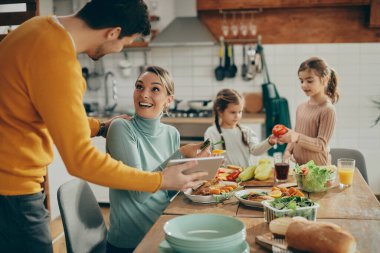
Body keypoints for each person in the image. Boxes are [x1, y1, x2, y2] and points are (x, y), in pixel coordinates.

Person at [0, 1, 207, 252]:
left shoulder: (36, 28)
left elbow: (45, 114)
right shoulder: (58, 60)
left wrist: (99, 127)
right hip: (12, 190)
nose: (119, 50)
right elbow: (81, 161)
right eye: (124, 43)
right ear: (113, 32)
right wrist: (160, 180)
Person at [106, 66, 204, 252]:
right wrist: (181, 153)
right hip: (130, 244)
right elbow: (140, 192)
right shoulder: (121, 128)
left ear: (168, 101)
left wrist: (195, 172)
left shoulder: (171, 133)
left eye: (155, 89)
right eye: (139, 87)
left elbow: (167, 192)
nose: (144, 94)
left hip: (163, 230)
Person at [278, 56, 339, 165]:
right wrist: (287, 151)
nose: (304, 85)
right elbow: (296, 134)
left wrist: (297, 137)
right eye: (301, 81)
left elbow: (321, 145)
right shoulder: (301, 107)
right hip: (298, 169)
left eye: (309, 81)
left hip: (318, 171)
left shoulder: (328, 110)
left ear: (325, 80)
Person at [204, 89, 277, 168]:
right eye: (233, 112)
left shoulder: (247, 131)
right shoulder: (211, 132)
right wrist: (209, 156)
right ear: (220, 112)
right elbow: (204, 152)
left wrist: (269, 142)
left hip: (247, 177)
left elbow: (255, 151)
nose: (237, 116)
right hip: (225, 177)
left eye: (240, 112)